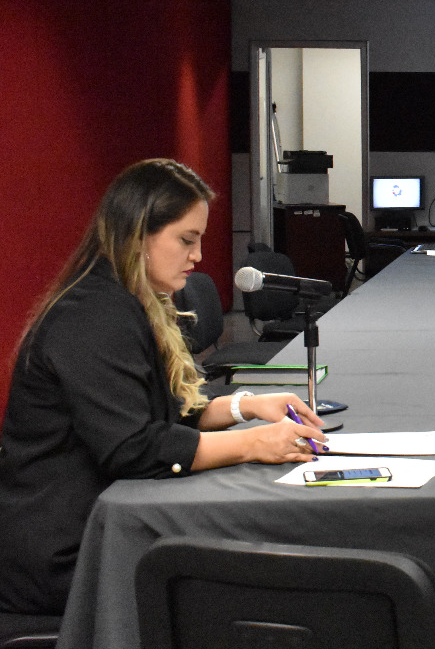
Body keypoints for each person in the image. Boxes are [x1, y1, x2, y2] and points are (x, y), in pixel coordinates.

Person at [0, 159, 326, 614]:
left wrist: (246, 407)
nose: (197, 257)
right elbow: (133, 446)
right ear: (138, 234)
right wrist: (253, 444)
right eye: (186, 240)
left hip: (96, 528)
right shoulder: (95, 316)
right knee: (250, 579)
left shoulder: (127, 300)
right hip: (66, 555)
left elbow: (167, 413)